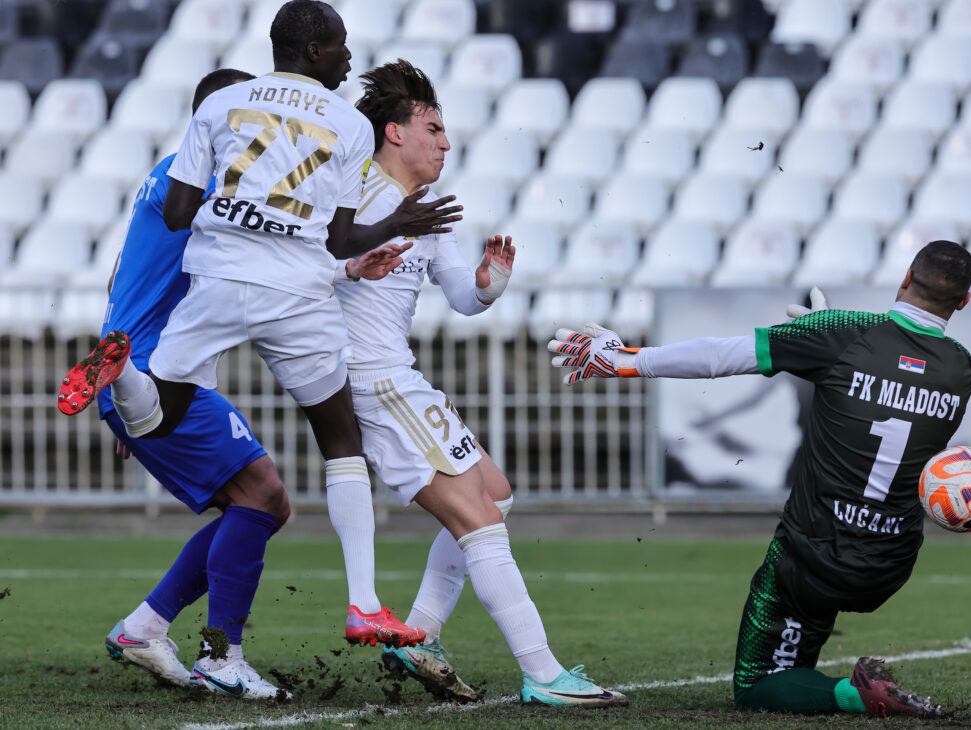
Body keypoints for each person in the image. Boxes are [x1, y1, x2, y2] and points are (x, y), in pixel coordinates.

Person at [58, 1, 460, 654]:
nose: (349, 58)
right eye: (341, 47)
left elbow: (179, 213)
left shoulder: (219, 110)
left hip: (216, 284)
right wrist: (399, 223)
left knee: (154, 417)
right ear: (315, 52)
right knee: (339, 442)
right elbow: (336, 239)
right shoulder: (345, 124)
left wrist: (240, 210)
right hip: (295, 296)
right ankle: (358, 607)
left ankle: (121, 369)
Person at [549, 241, 971, 718]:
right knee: (797, 664)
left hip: (812, 558)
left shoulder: (842, 333)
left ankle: (856, 694)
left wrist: (625, 359)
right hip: (888, 565)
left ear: (903, 278)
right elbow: (888, 385)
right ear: (963, 302)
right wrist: (819, 338)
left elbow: (719, 356)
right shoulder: (960, 369)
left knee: (757, 687)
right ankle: (817, 676)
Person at [334, 59, 628, 708]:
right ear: (393, 134)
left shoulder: (429, 213)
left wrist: (491, 281)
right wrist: (354, 268)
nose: (445, 141)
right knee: (480, 522)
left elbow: (464, 299)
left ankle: (420, 636)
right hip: (375, 380)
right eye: (433, 128)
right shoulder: (348, 196)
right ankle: (544, 673)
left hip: (401, 379)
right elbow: (305, 269)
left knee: (496, 495)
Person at [96, 68, 292, 700]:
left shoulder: (171, 174)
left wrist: (130, 398)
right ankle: (220, 655)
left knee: (262, 501)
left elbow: (117, 284)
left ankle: (146, 626)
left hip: (144, 373)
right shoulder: (203, 180)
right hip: (154, 369)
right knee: (262, 495)